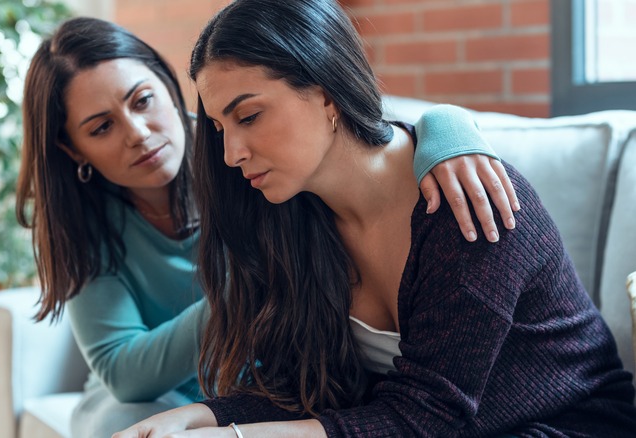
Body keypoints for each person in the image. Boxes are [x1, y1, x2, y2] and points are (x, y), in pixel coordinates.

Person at [112, 0, 636, 437]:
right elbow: (305, 394)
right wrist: (200, 416)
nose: (232, 153)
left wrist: (237, 436)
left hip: (568, 424)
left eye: (249, 116)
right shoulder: (295, 219)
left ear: (327, 94)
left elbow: (428, 416)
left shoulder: (465, 203)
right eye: (222, 127)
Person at [16, 16, 521, 437]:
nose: (139, 134)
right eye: (102, 127)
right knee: (129, 422)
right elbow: (126, 375)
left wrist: (451, 129)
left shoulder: (254, 164)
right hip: (185, 392)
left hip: (262, 383)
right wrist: (251, 286)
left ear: (169, 89)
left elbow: (359, 131)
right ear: (72, 150)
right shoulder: (95, 220)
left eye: (143, 100)